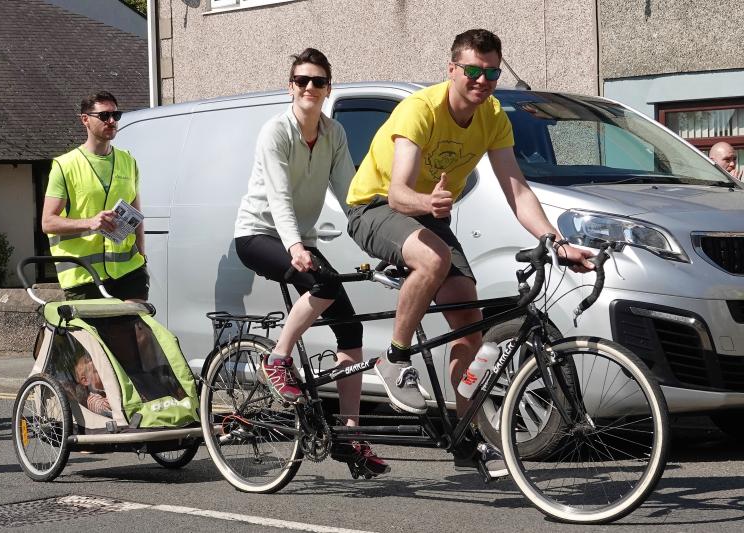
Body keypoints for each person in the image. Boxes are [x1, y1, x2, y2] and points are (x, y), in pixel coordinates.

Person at [345, 29, 593, 476]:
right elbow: (400, 193)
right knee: (433, 260)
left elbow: (516, 190)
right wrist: (427, 203)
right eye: (474, 71)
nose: (482, 81)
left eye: (492, 72)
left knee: (469, 326)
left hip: (429, 217)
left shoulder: (492, 116)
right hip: (375, 206)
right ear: (453, 69)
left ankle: (466, 437)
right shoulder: (420, 110)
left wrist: (555, 241)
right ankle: (393, 359)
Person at [234, 48, 388, 475]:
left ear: (327, 89)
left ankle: (351, 434)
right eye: (301, 80)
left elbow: (350, 195)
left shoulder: (334, 133)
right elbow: (280, 198)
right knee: (321, 284)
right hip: (258, 235)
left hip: (295, 239)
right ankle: (277, 358)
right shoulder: (275, 131)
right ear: (291, 87)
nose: (309, 88)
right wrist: (295, 247)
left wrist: (385, 245)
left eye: (317, 82)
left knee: (350, 327)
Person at [41, 91, 148, 302]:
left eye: (115, 116)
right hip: (84, 275)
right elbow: (47, 222)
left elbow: (137, 215)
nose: (111, 121)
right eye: (104, 116)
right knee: (100, 336)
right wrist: (91, 222)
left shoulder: (129, 161)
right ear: (85, 120)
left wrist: (142, 255)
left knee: (141, 332)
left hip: (129, 270)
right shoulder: (64, 165)